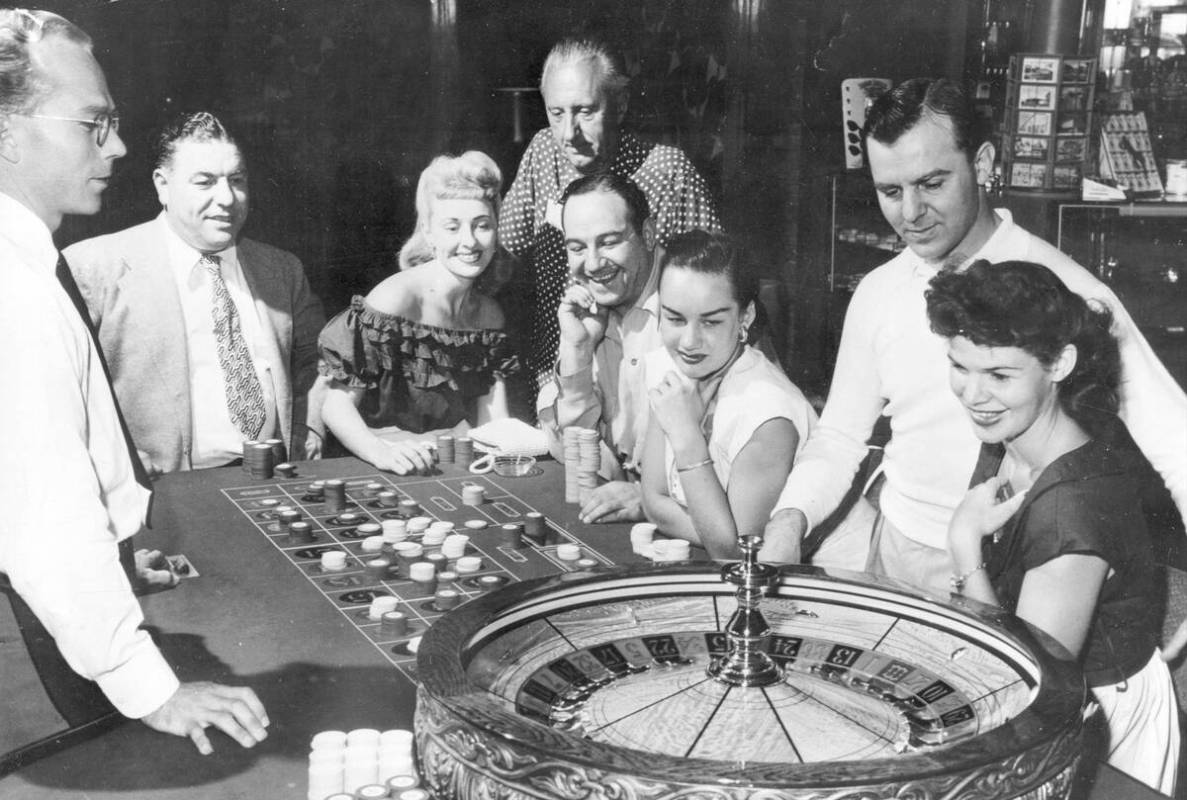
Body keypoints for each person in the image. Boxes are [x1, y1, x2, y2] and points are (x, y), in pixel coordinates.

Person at [761, 78, 1187, 599]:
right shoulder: (879, 291)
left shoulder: (1070, 290)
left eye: (932, 183)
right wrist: (789, 519)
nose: (910, 213)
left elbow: (1174, 437)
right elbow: (840, 436)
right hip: (893, 550)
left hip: (1016, 568)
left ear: (982, 164)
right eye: (890, 192)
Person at [0, 8, 267, 754]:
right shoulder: (12, 290)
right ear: (6, 130)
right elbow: (41, 520)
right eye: (93, 123)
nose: (114, 146)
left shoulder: (25, 262)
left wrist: (113, 561)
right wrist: (151, 685)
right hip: (23, 663)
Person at [928, 260, 1178, 795]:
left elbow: (1029, 688)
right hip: (1058, 685)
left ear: (1060, 363)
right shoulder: (1021, 428)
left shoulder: (1073, 510)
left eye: (998, 375)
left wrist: (963, 546)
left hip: (1098, 718)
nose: (972, 394)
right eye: (960, 366)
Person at [64, 110, 325, 475]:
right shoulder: (93, 268)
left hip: (273, 480)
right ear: (162, 185)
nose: (227, 198)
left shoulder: (282, 270)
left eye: (237, 180)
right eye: (205, 182)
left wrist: (309, 427)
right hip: (163, 495)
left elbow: (317, 362)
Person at [499, 37, 721, 387]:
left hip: (650, 379)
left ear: (620, 104)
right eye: (556, 113)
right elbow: (504, 252)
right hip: (555, 373)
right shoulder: (543, 151)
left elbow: (714, 284)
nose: (569, 133)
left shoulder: (668, 171)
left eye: (585, 111)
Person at [317, 151, 520, 474]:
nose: (468, 241)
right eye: (452, 227)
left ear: (496, 230)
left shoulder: (489, 315)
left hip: (452, 463)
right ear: (429, 232)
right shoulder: (394, 299)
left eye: (482, 225)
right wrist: (382, 453)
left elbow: (494, 420)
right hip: (379, 460)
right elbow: (335, 405)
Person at [641, 231, 816, 559]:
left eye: (710, 322)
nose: (689, 342)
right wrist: (715, 530)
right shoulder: (670, 367)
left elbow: (739, 554)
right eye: (675, 318)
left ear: (745, 317)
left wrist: (685, 435)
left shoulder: (770, 415)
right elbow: (652, 502)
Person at [537, 173, 663, 524]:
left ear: (649, 234)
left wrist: (651, 500)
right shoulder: (587, 308)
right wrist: (577, 349)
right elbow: (576, 450)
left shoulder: (693, 302)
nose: (592, 264)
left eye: (608, 242)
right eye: (577, 247)